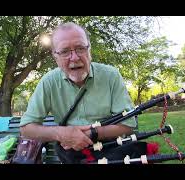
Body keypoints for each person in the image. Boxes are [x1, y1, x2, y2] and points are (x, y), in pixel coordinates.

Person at [20, 22, 147, 164]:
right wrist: (61, 134)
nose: (74, 58)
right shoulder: (48, 82)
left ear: (89, 50)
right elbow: (26, 129)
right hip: (71, 154)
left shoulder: (111, 76)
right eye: (65, 51)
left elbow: (128, 123)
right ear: (55, 57)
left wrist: (92, 133)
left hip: (113, 149)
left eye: (80, 48)